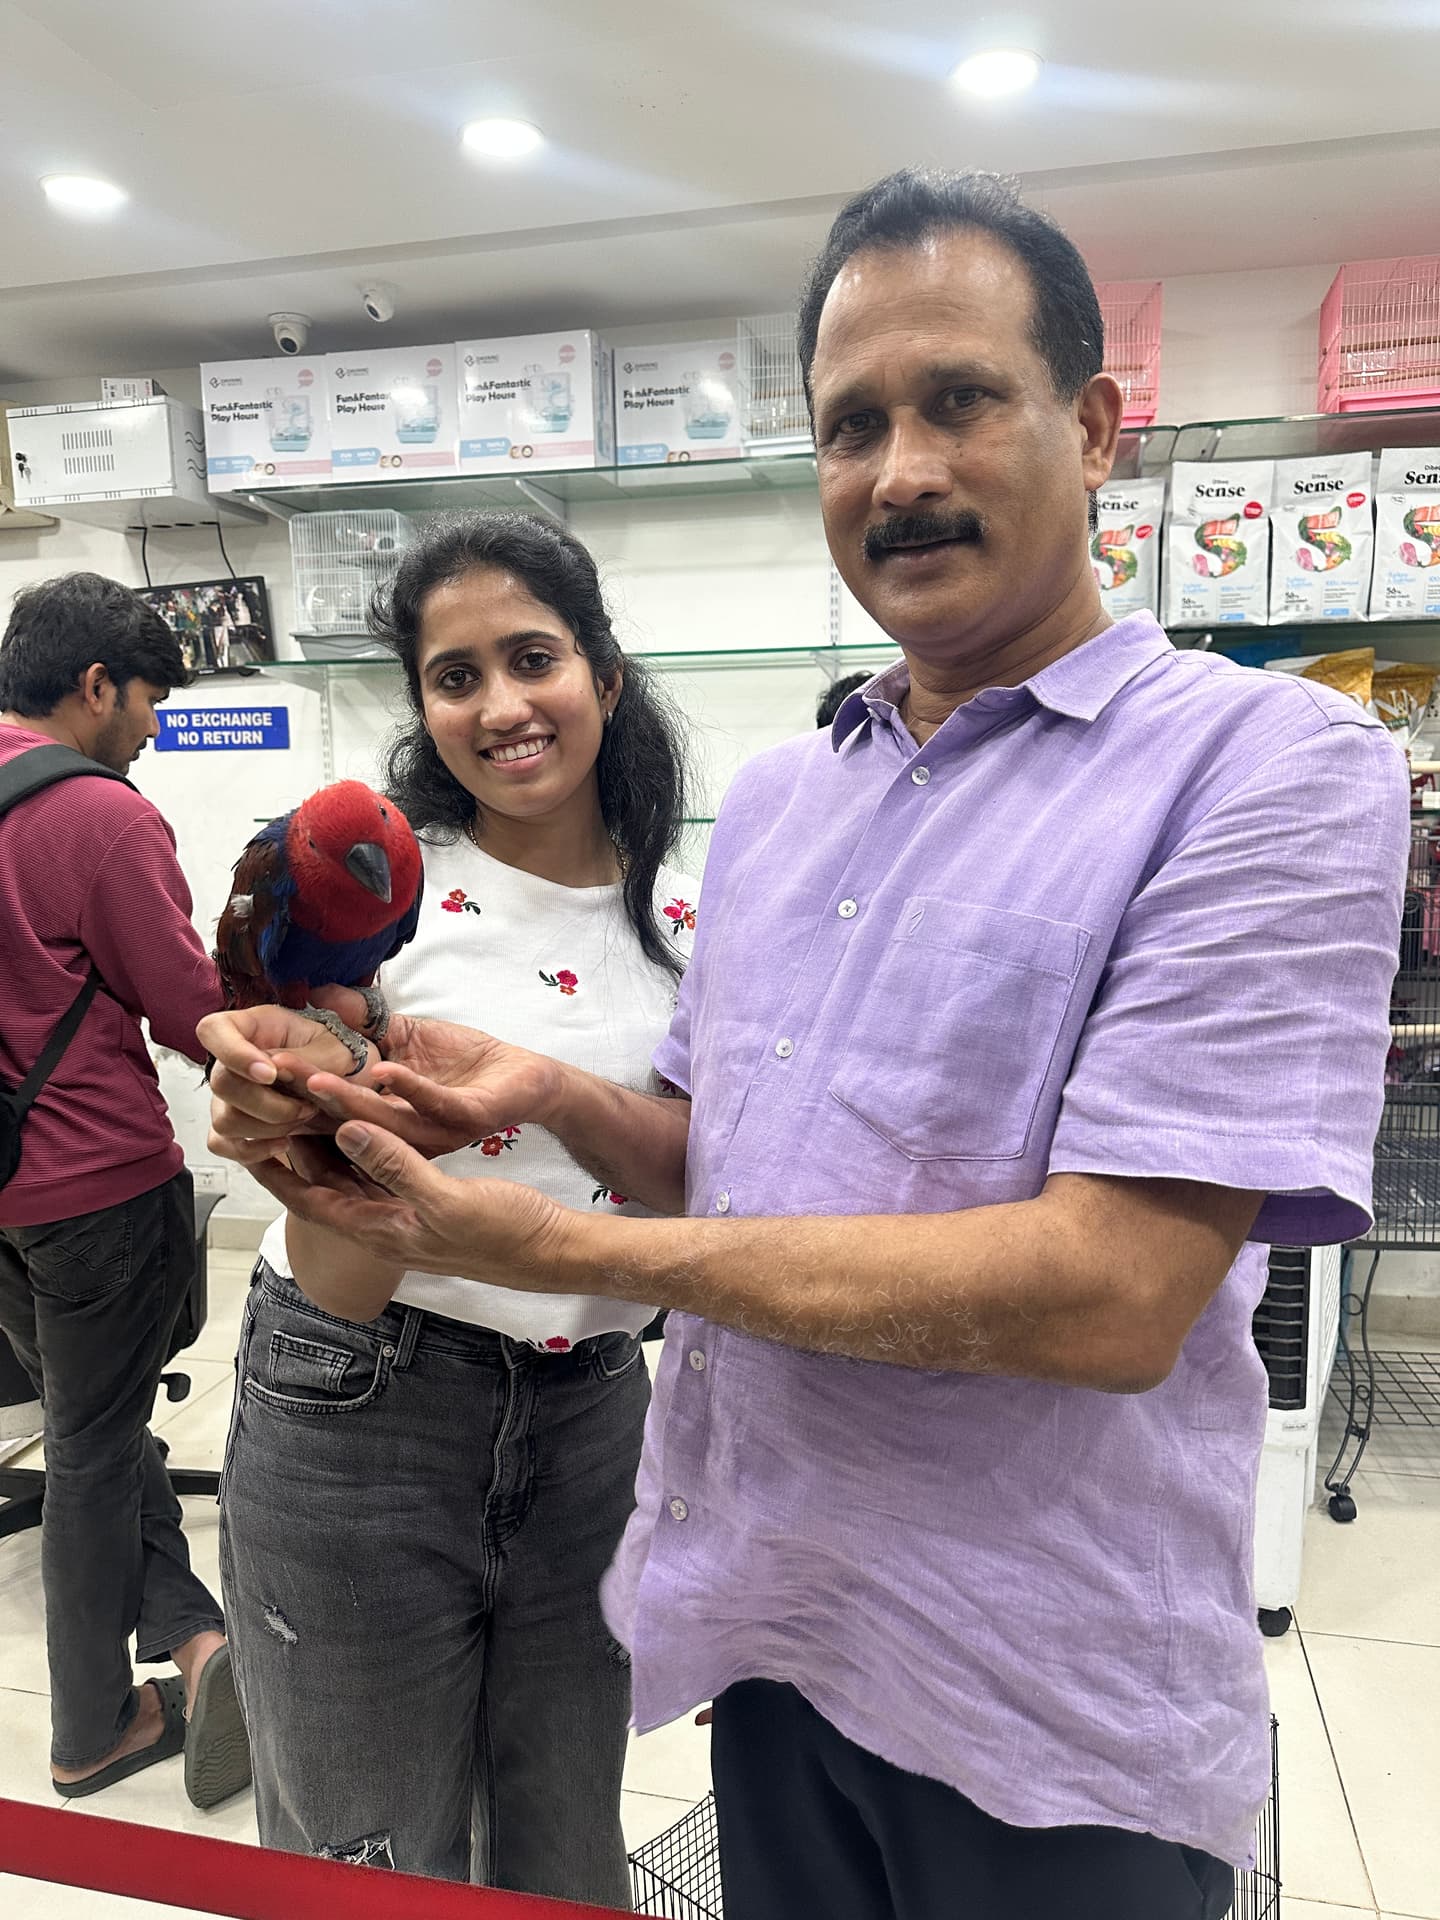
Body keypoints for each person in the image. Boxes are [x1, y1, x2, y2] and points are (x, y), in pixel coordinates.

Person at [204, 171, 1410, 1920]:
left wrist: (557, 1249)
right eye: (851, 425)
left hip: (1037, 1701)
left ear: (1094, 428)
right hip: (770, 1638)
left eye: (959, 399)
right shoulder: (783, 802)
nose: (899, 470)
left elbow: (1115, 1293)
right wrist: (556, 1099)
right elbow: (719, 1157)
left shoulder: (1266, 772)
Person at [212, 514, 696, 1901]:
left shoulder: (692, 915)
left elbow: (705, 1178)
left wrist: (550, 1092)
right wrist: (299, 1100)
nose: (499, 707)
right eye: (454, 676)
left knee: (564, 1837)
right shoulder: (380, 884)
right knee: (364, 1853)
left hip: (595, 1410)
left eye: (532, 659)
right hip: (359, 1393)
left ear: (604, 674)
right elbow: (312, 1078)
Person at [0, 571, 248, 1808]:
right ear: (96, 686)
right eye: (150, 700)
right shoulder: (100, 815)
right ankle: (92, 1727)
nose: (153, 728)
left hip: (2, 1196)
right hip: (92, 1182)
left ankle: (195, 1637)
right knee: (96, 1449)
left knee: (90, 1423)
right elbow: (190, 1010)